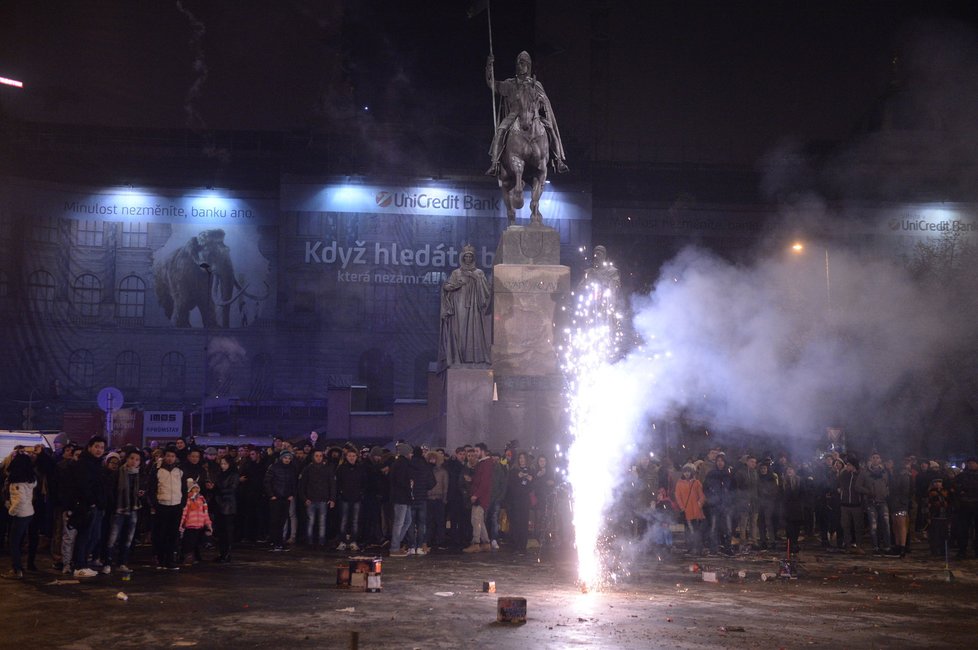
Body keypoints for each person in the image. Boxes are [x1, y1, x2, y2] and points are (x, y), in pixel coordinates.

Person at [485, 51, 568, 176]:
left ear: (528, 66)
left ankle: (558, 161)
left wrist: (539, 102)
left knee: (550, 129)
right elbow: (493, 84)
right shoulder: (510, 83)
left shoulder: (535, 84)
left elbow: (544, 101)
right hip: (514, 115)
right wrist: (489, 67)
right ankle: (495, 163)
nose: (519, 65)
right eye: (518, 62)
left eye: (522, 62)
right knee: (501, 130)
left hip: (533, 116)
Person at [438, 244, 491, 368]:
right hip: (459, 305)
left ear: (473, 258)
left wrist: (475, 279)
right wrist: (455, 285)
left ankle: (475, 359)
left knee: (474, 331)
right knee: (459, 331)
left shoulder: (479, 273)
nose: (468, 259)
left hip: (474, 307)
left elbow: (486, 292)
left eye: (470, 257)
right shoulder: (456, 273)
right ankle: (458, 358)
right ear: (463, 257)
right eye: (466, 256)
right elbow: (447, 286)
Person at [105, 449, 144, 573]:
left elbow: (142, 488)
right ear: (126, 459)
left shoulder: (139, 474)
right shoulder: (118, 473)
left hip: (133, 509)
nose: (134, 461)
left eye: (137, 459)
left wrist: (141, 492)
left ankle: (122, 562)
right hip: (119, 509)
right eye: (132, 458)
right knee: (113, 537)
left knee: (128, 538)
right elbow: (111, 490)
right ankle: (107, 562)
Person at [149, 446, 186, 570]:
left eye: (173, 456)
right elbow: (152, 488)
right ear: (164, 456)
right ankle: (160, 559)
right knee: (161, 533)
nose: (170, 458)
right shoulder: (157, 469)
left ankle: (170, 559)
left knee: (173, 534)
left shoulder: (179, 470)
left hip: (176, 506)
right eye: (168, 456)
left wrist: (182, 503)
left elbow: (184, 488)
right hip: (162, 505)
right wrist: (154, 503)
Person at [2, 448, 36, 579]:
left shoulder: (17, 482)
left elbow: (20, 499)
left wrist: (11, 511)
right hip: (29, 512)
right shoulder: (30, 480)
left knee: (14, 542)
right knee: (18, 541)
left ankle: (16, 569)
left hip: (20, 514)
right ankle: (18, 567)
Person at [298, 449, 336, 549]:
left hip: (323, 499)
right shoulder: (308, 469)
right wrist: (304, 498)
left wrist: (332, 498)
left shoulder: (327, 469)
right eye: (317, 456)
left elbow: (332, 484)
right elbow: (302, 485)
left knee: (322, 522)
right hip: (310, 499)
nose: (319, 458)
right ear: (313, 457)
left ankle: (321, 542)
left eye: (320, 456)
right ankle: (309, 541)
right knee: (311, 521)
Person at [855, 452, 891, 554]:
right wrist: (868, 492)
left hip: (883, 501)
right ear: (870, 459)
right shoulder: (864, 472)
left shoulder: (884, 472)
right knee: (873, 525)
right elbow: (857, 486)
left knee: (885, 524)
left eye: (877, 457)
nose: (875, 459)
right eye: (873, 458)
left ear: (880, 459)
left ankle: (887, 546)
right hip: (871, 502)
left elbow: (887, 484)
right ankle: (875, 546)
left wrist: (886, 493)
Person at [264, 449, 298, 552]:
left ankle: (279, 542)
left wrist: (292, 494)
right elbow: (267, 482)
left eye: (289, 458)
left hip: (286, 498)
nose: (287, 460)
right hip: (276, 498)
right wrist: (271, 495)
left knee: (282, 520)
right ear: (281, 458)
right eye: (285, 458)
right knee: (275, 521)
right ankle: (275, 542)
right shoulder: (274, 467)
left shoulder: (292, 469)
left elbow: (294, 482)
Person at [464, 443, 495, 553]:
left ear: (483, 451)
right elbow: (481, 480)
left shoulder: (485, 464)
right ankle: (486, 542)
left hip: (480, 497)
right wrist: (472, 480)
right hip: (481, 495)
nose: (475, 453)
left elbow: (484, 482)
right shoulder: (483, 463)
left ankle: (476, 543)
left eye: (477, 451)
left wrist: (476, 494)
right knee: (478, 520)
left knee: (476, 519)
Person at [335, 448, 366, 552]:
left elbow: (364, 482)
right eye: (350, 456)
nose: (352, 458)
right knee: (343, 520)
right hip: (344, 498)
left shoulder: (360, 468)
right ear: (346, 457)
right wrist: (341, 493)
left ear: (357, 457)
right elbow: (338, 483)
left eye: (353, 456)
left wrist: (361, 493)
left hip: (357, 498)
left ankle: (353, 541)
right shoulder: (341, 469)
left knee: (355, 521)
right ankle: (342, 541)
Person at [674, 463, 706, 555]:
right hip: (686, 511)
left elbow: (702, 496)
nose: (687, 473)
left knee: (696, 530)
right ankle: (691, 547)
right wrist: (682, 507)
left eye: (688, 471)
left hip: (696, 511)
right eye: (685, 472)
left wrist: (699, 504)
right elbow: (678, 497)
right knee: (689, 530)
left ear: (691, 472)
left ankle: (697, 547)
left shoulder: (696, 483)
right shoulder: (679, 483)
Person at [389, 443, 415, 557]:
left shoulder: (401, 463)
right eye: (410, 452)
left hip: (404, 497)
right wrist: (409, 484)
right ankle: (394, 547)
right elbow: (400, 480)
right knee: (400, 523)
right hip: (401, 497)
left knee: (406, 521)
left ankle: (396, 544)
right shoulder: (402, 464)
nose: (411, 454)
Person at [505, 452, 534, 554]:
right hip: (515, 500)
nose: (522, 460)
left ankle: (523, 545)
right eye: (520, 458)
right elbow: (510, 485)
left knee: (524, 522)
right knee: (516, 522)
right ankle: (516, 545)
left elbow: (533, 486)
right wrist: (518, 476)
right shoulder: (514, 471)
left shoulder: (531, 470)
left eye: (523, 458)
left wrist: (531, 479)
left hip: (525, 500)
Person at [179, 480, 213, 566]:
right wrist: (180, 525)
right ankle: (185, 557)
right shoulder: (187, 499)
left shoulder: (202, 499)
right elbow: (184, 513)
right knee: (188, 543)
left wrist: (208, 525)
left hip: (199, 525)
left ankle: (195, 557)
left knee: (196, 543)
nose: (196, 491)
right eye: (194, 489)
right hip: (190, 525)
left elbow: (205, 513)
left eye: (197, 489)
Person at [212, 455, 238, 562]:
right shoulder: (219, 474)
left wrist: (217, 489)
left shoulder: (233, 475)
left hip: (228, 506)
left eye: (225, 464)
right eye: (222, 463)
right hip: (219, 505)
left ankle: (226, 554)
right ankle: (222, 553)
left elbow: (232, 489)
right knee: (220, 531)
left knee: (227, 531)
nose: (223, 466)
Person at [952, 457, 978, 560]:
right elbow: (954, 486)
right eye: (970, 463)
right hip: (964, 506)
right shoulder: (962, 476)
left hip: (976, 505)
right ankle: (962, 550)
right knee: (963, 530)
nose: (971, 465)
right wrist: (960, 493)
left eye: (973, 463)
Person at [425, 450, 449, 550]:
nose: (432, 460)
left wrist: (444, 499)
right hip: (428, 499)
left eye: (434, 458)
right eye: (430, 458)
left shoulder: (443, 472)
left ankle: (440, 541)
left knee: (440, 521)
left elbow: (445, 486)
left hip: (439, 499)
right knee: (429, 521)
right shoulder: (426, 470)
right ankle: (428, 541)